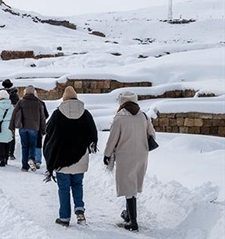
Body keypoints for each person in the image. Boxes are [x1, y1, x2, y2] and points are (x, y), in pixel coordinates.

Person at [44, 86, 98, 227]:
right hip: (80, 157)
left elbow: (48, 133)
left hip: (61, 159)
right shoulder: (86, 114)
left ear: (64, 98)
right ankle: (79, 210)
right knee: (77, 184)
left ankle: (64, 217)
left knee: (63, 189)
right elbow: (92, 134)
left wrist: (50, 155)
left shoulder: (57, 114)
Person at [104, 91, 156, 232]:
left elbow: (112, 139)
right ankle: (128, 215)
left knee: (128, 185)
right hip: (142, 154)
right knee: (133, 184)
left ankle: (133, 222)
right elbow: (152, 134)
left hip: (125, 155)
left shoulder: (119, 118)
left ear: (122, 102)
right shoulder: (144, 116)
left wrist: (107, 154)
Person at [12, 85, 47, 171]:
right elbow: (42, 118)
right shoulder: (38, 103)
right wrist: (43, 129)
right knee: (32, 145)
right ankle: (31, 158)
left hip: (23, 127)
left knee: (24, 146)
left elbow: (14, 114)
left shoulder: (21, 102)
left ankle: (24, 166)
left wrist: (11, 126)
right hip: (34, 127)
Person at [1, 79, 20, 159]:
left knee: (2, 134)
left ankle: (3, 151)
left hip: (2, 117)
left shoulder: (1, 94)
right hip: (12, 117)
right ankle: (11, 153)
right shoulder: (15, 95)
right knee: (11, 135)